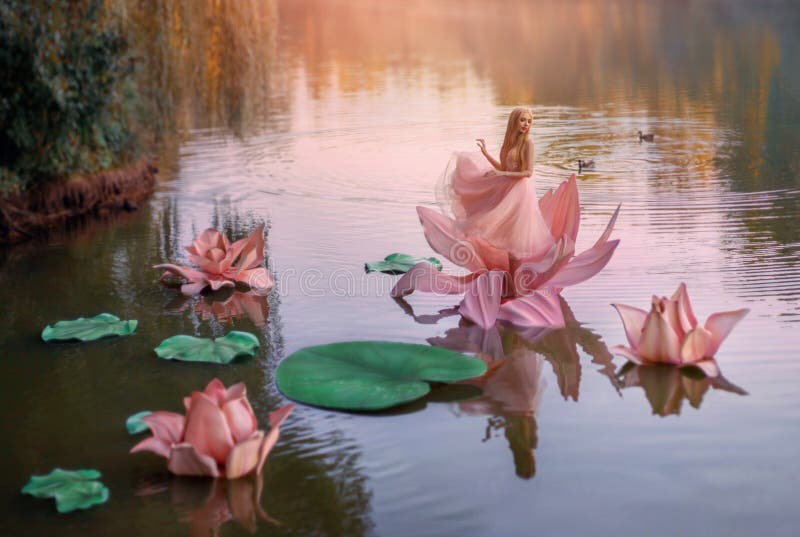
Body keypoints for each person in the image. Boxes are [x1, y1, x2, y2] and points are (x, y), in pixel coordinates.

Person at [436, 107, 555, 262]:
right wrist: (486, 154)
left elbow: (528, 173)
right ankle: (506, 266)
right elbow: (503, 168)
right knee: (491, 220)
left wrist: (502, 174)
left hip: (520, 191)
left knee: (516, 233)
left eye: (529, 121)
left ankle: (516, 271)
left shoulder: (528, 142)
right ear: (514, 121)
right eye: (522, 120)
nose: (526, 124)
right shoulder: (509, 142)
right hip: (506, 187)